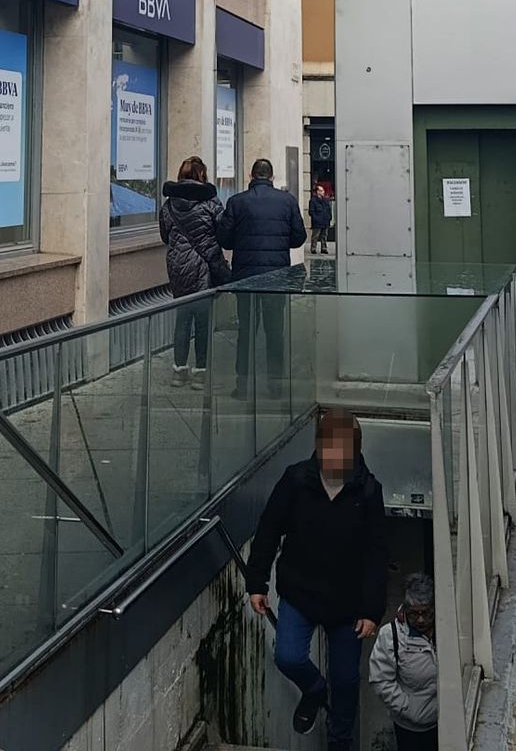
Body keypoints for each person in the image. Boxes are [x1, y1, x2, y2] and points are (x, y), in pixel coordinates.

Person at [245, 409, 389, 751]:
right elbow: (268, 530)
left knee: (346, 680)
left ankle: (340, 741)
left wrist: (372, 609)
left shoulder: (368, 491)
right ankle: (313, 690)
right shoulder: (296, 480)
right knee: (289, 657)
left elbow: (376, 553)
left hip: (348, 605)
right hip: (300, 592)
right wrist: (256, 583)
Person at [217, 158, 307, 399]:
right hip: (277, 277)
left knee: (246, 331)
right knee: (275, 331)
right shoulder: (287, 201)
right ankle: (275, 385)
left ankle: (243, 386)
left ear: (251, 175)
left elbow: (224, 239)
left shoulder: (236, 202)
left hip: (245, 277)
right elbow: (299, 238)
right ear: (272, 177)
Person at [159, 155, 230, 389]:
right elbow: (221, 233)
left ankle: (179, 371)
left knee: (182, 319)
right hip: (202, 266)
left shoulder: (169, 204)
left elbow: (164, 236)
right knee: (202, 321)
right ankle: (200, 372)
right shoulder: (211, 202)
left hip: (178, 266)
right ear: (202, 175)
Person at [370, 573, 439, 751]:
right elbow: (381, 681)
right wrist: (408, 708)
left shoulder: (447, 630)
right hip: (408, 726)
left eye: (426, 613)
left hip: (445, 722)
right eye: (415, 614)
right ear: (406, 609)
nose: (421, 619)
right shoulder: (390, 635)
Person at [309, 183, 333, 255]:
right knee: (315, 236)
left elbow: (328, 210)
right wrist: (316, 219)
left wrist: (329, 218)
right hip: (317, 222)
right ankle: (313, 248)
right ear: (318, 192)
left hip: (325, 221)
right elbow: (311, 212)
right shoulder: (313, 201)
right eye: (321, 190)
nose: (323, 192)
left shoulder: (325, 201)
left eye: (323, 190)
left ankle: (324, 248)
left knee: (324, 236)